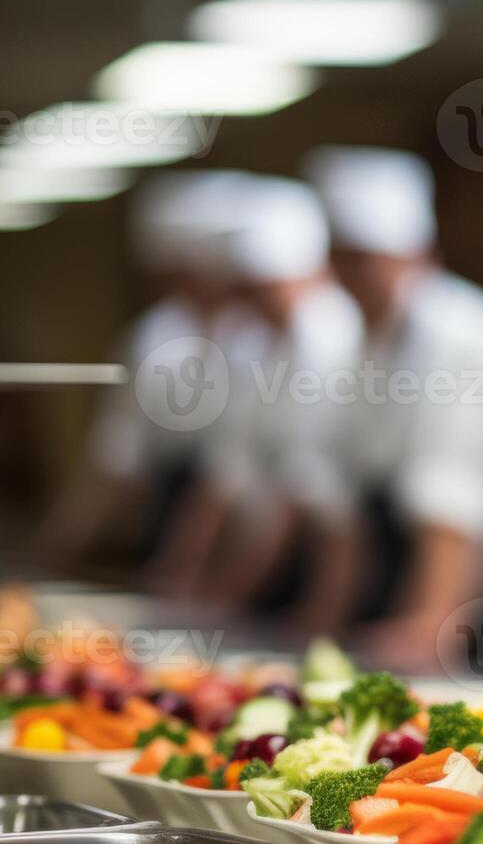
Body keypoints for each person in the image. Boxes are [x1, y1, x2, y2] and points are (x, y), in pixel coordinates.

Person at [303, 146, 483, 670]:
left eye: (366, 259)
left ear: (415, 253)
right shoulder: (358, 341)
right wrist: (319, 623)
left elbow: (457, 499)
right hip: (394, 573)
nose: (353, 275)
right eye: (343, 258)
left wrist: (432, 627)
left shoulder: (459, 334)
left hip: (475, 597)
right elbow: (346, 508)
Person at [149, 175, 365, 634]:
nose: (261, 303)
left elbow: (310, 494)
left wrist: (230, 595)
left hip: (336, 550)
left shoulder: (333, 335)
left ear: (311, 273)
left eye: (271, 288)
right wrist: (185, 574)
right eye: (252, 289)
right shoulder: (252, 340)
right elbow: (228, 472)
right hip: (268, 550)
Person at [35, 170, 245, 570]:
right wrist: (53, 550)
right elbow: (115, 461)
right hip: (178, 527)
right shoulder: (157, 336)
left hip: (255, 549)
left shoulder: (266, 339)